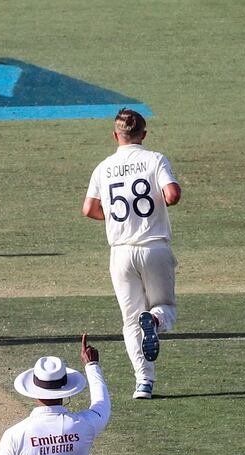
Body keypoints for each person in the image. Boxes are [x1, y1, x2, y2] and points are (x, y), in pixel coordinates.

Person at [82, 108, 182, 399]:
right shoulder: (154, 159)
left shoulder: (103, 167)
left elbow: (89, 209)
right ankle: (155, 321)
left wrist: (115, 217)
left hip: (121, 253)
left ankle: (143, 382)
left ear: (116, 136)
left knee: (129, 321)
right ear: (144, 134)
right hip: (154, 247)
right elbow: (172, 194)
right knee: (164, 308)